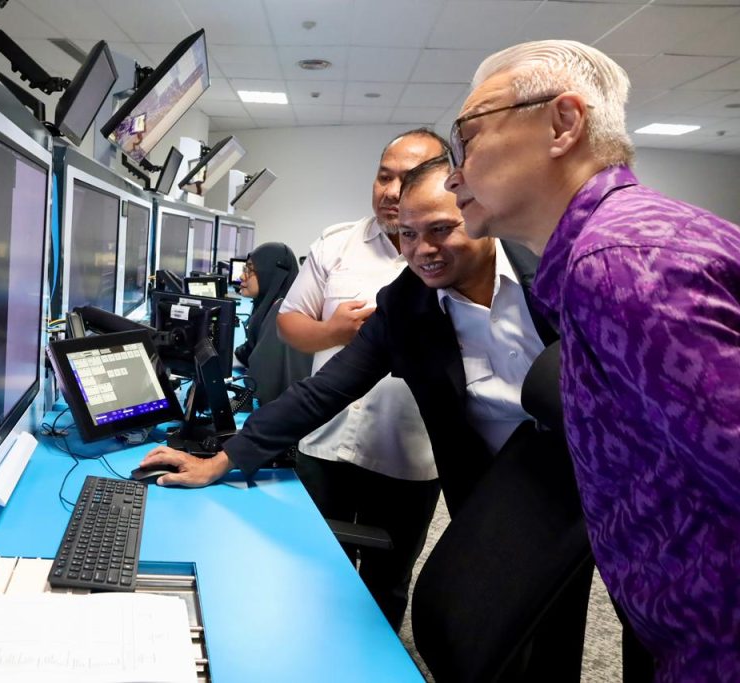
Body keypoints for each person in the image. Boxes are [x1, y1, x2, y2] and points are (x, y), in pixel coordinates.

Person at [141, 159, 592, 678]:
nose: (422, 249)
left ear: (479, 211)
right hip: (485, 487)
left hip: (588, 481)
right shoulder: (405, 306)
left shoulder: (560, 271)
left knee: (563, 627)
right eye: (408, 234)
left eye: (441, 229)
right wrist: (223, 459)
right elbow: (325, 390)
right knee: (490, 628)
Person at [445, 39, 739, 680]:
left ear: (563, 123)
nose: (452, 174)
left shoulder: (619, 262)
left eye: (465, 137)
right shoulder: (618, 242)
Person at [272, 128, 446, 628]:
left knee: (387, 582)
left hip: (408, 456)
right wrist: (333, 331)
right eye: (383, 176)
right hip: (324, 443)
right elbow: (289, 324)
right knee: (311, 569)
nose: (391, 191)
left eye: (407, 179)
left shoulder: (456, 249)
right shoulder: (338, 243)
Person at [233, 242, 311, 406]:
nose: (242, 276)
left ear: (270, 274)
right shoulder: (269, 306)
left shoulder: (282, 314)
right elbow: (249, 351)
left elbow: (261, 381)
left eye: (249, 270)